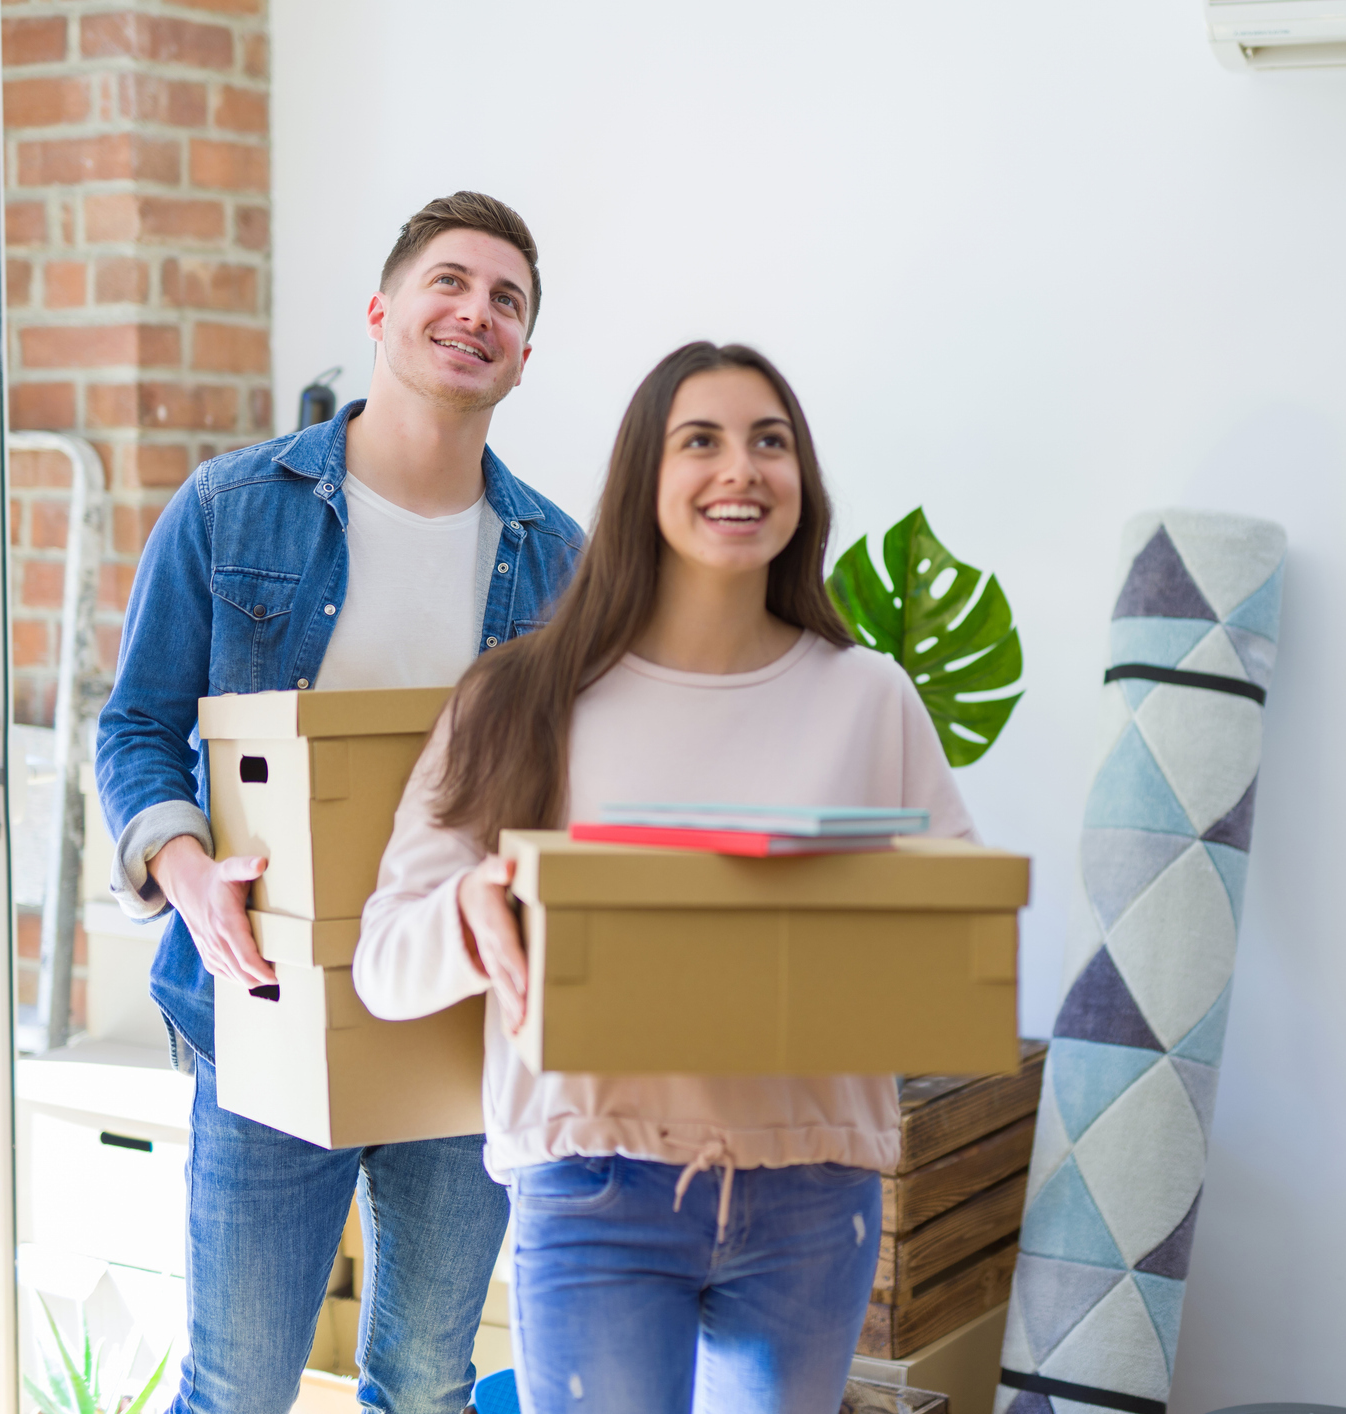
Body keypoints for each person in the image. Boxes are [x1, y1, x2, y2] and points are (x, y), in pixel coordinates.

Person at [353, 342, 975, 1414]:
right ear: (643, 478)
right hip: (592, 1186)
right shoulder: (518, 698)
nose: (739, 469)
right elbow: (381, 966)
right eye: (701, 441)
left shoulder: (868, 698)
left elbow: (954, 946)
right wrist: (470, 912)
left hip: (811, 1191)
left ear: (801, 482)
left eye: (767, 442)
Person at [92, 191, 583, 1414]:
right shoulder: (230, 506)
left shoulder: (561, 560)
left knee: (425, 1382)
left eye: (507, 301)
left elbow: (577, 791)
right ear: (381, 310)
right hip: (260, 1001)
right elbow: (137, 726)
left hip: (459, 1019)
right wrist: (185, 867)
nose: (477, 312)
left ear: (524, 356)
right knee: (239, 1386)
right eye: (450, 283)